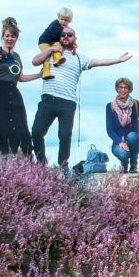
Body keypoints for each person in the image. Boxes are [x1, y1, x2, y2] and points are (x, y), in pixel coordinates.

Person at [30, 25, 132, 172]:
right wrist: (51, 49)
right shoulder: (50, 54)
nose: (66, 37)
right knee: (36, 132)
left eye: (69, 35)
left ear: (74, 39)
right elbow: (34, 61)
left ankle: (62, 166)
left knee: (65, 135)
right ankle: (41, 163)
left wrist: (118, 60)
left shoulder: (79, 58)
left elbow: (98, 61)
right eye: (63, 35)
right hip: (48, 99)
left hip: (68, 102)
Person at [0, 16, 43, 156]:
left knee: (18, 127)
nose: (10, 39)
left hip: (12, 92)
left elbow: (21, 77)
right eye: (7, 36)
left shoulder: (17, 57)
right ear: (3, 36)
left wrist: (39, 75)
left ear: (16, 38)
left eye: (13, 36)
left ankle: (17, 157)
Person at [106, 77, 139, 172]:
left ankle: (134, 165)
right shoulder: (110, 106)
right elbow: (110, 130)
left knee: (131, 136)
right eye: (120, 87)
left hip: (136, 141)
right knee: (123, 154)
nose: (122, 90)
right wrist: (120, 142)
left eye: (125, 88)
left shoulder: (135, 104)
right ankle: (124, 165)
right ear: (117, 89)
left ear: (129, 90)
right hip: (119, 141)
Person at [37, 7, 73, 80]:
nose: (63, 22)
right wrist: (63, 30)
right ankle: (46, 72)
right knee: (47, 54)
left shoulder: (66, 28)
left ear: (69, 21)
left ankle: (57, 60)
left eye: (66, 20)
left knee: (58, 45)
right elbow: (55, 35)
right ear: (58, 18)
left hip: (53, 42)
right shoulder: (55, 24)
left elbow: (64, 38)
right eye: (61, 19)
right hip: (44, 41)